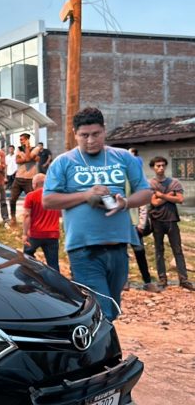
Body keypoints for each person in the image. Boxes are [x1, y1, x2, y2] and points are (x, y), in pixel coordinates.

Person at [43, 107, 152, 321]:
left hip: (119, 245)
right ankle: (104, 353)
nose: (90, 140)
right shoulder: (64, 162)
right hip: (84, 249)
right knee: (102, 310)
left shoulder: (122, 157)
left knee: (112, 308)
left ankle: (97, 350)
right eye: (84, 135)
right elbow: (48, 200)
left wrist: (125, 203)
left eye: (96, 134)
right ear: (75, 134)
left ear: (104, 131)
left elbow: (146, 193)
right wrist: (86, 195)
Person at [148, 156, 194, 291]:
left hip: (172, 220)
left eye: (163, 165)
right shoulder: (150, 184)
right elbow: (154, 202)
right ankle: (162, 280)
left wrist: (161, 195)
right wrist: (170, 195)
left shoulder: (174, 182)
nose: (161, 168)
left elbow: (180, 199)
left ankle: (184, 280)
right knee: (159, 251)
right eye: (158, 166)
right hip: (157, 220)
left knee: (178, 250)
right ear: (153, 167)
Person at [22, 173, 61, 271]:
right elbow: (60, 213)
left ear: (34, 184)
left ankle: (34, 274)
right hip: (52, 234)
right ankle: (55, 283)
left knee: (27, 257)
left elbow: (26, 215)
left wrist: (24, 234)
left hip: (35, 234)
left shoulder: (31, 196)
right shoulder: (54, 196)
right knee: (53, 264)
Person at [9, 133, 40, 223]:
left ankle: (34, 219)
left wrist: (27, 149)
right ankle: (13, 219)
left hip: (29, 179)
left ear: (27, 140)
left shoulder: (36, 148)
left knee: (33, 201)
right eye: (20, 139)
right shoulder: (18, 149)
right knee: (12, 199)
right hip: (18, 178)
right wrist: (31, 158)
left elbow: (27, 158)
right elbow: (18, 160)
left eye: (22, 139)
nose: (20, 141)